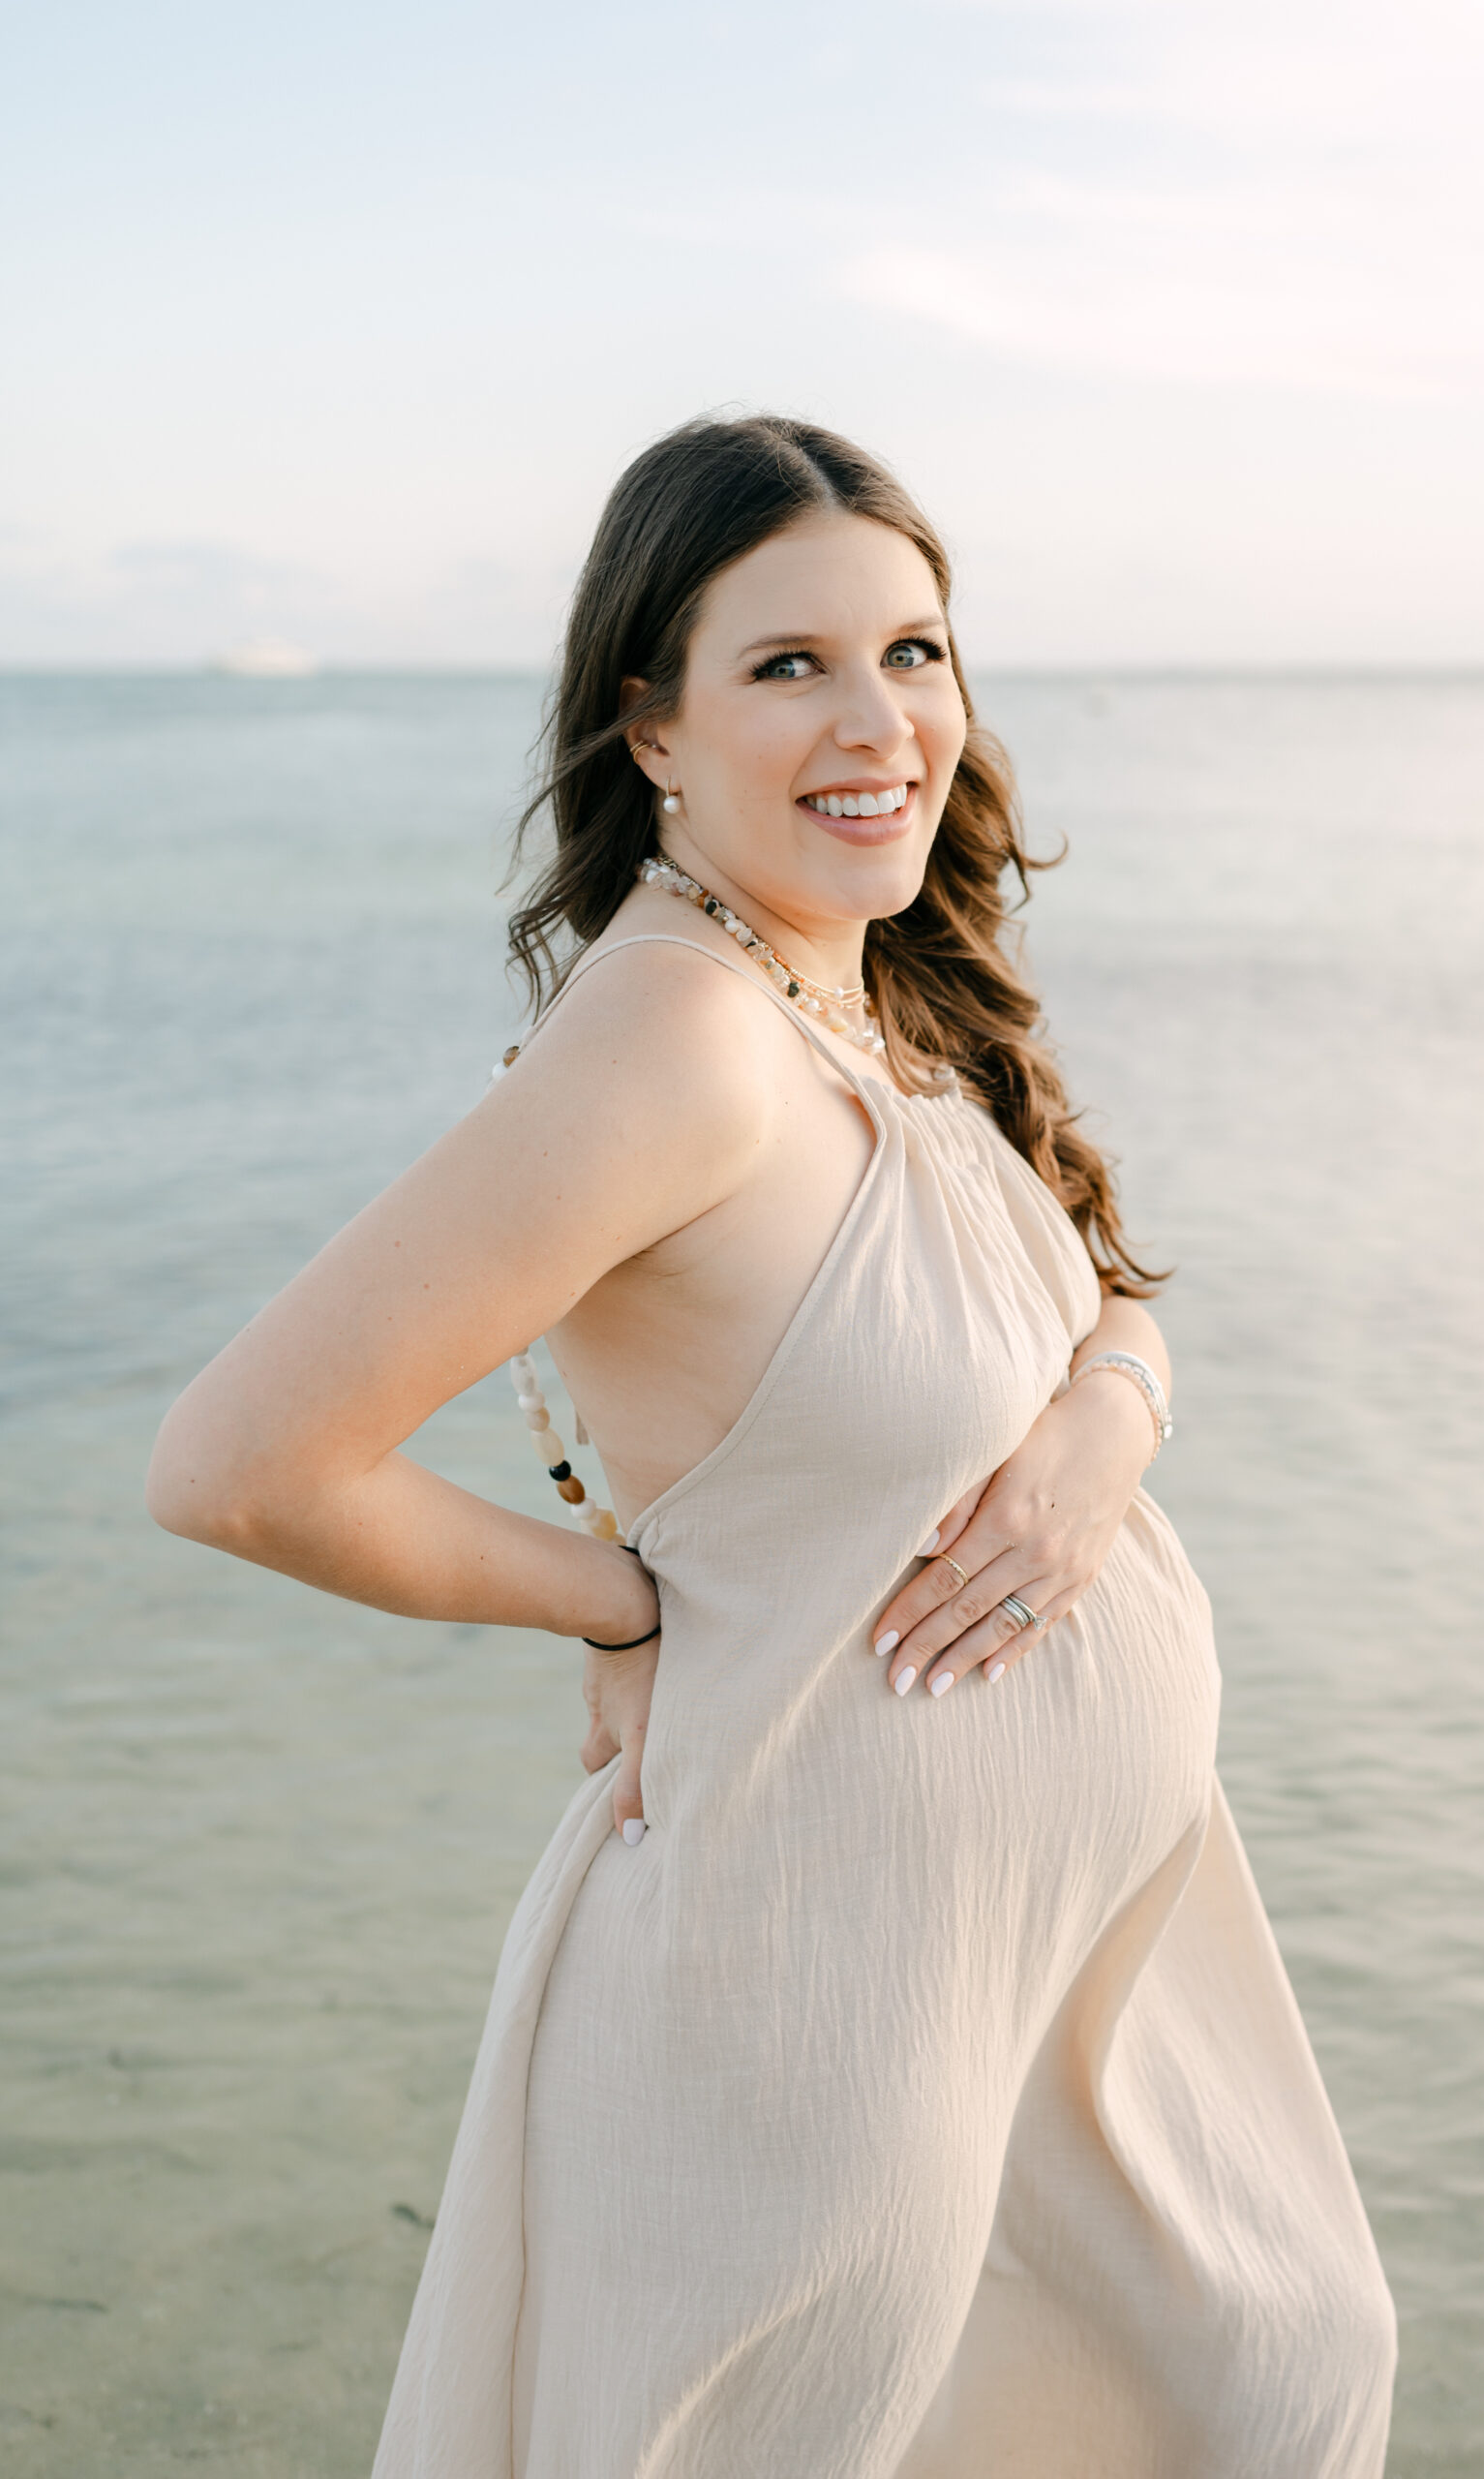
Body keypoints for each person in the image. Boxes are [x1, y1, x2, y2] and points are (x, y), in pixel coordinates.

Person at [147, 414, 1397, 2477]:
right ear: (650, 726)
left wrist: (1111, 1413)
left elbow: (1093, 1290)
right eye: (789, 664)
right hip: (820, 1979)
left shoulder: (874, 989)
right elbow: (243, 1460)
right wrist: (621, 1603)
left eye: (915, 650)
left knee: (1271, 2364)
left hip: (1061, 1953)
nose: (881, 717)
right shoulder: (680, 1037)